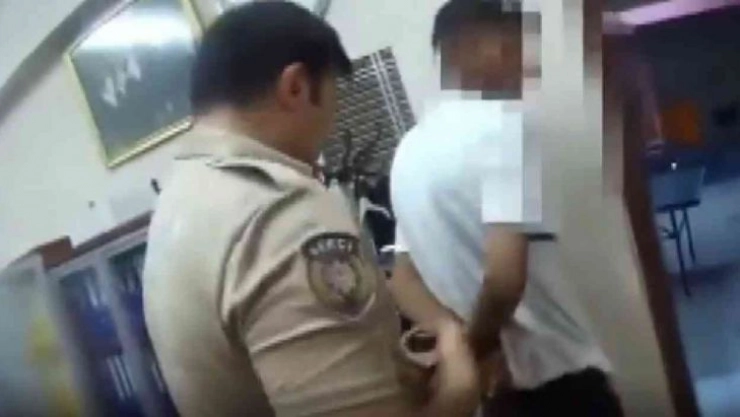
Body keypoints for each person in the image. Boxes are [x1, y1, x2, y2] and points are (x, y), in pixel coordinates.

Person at [142, 2, 479, 417]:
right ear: (296, 87)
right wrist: (458, 394)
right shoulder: (282, 214)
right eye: (334, 101)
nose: (331, 125)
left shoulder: (179, 200)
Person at [388, 1, 623, 415]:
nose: (526, 68)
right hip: (559, 381)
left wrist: (455, 343)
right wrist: (477, 348)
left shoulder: (407, 152)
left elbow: (404, 279)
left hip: (498, 396)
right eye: (516, 49)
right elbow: (504, 277)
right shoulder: (507, 127)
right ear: (473, 49)